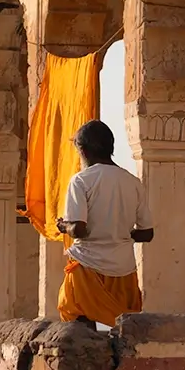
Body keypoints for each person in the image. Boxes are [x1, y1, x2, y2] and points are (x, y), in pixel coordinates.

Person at [55, 119, 155, 327]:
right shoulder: (132, 182)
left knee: (76, 314)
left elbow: (79, 230)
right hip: (124, 270)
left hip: (87, 267)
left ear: (82, 150)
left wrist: (63, 226)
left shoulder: (81, 181)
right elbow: (147, 234)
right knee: (124, 325)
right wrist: (119, 232)